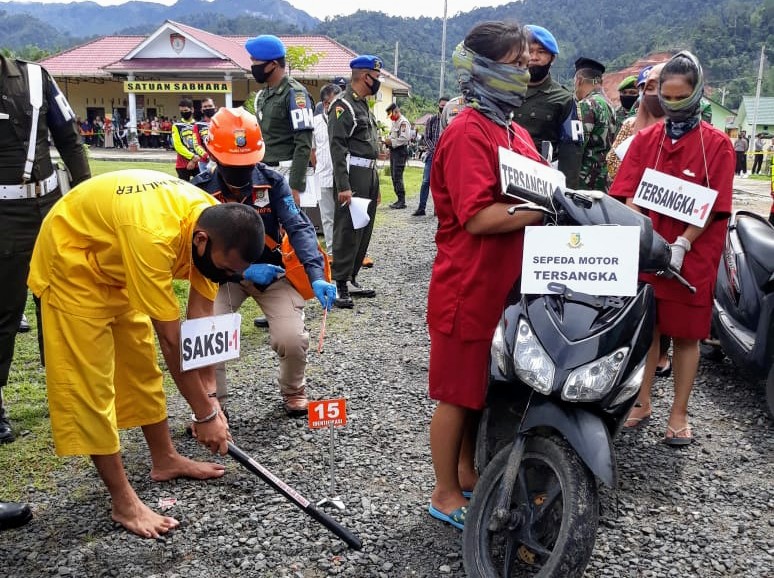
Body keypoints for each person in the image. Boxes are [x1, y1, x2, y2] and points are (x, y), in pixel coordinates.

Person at [28, 169, 266, 538]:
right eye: (223, 268)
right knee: (91, 385)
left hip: (117, 265)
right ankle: (123, 502)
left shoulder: (210, 223)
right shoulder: (154, 235)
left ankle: (165, 459)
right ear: (200, 240)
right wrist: (204, 414)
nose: (224, 275)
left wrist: (211, 401)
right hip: (71, 263)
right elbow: (172, 341)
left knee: (140, 367)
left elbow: (198, 325)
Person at [427, 21, 545, 529]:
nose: (527, 72)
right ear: (483, 69)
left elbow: (544, 181)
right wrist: (542, 209)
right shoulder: (466, 131)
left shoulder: (513, 130)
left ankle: (468, 473)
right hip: (468, 285)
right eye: (517, 64)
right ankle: (445, 492)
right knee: (457, 393)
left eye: (528, 64)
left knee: (480, 389)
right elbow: (478, 216)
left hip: (504, 285)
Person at [609, 51, 734, 445]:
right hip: (649, 248)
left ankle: (678, 413)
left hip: (692, 253)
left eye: (683, 96)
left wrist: (682, 243)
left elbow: (715, 204)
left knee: (687, 334)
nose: (674, 104)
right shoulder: (645, 140)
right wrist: (642, 233)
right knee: (649, 329)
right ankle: (642, 401)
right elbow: (626, 193)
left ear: (698, 93)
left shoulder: (717, 146)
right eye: (668, 96)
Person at [193, 108, 336, 416]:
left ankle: (294, 389)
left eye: (247, 162)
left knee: (293, 338)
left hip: (272, 275)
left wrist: (316, 275)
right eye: (233, 163)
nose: (241, 171)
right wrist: (242, 270)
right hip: (222, 278)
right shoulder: (200, 190)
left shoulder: (272, 184)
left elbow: (298, 226)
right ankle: (212, 405)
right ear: (214, 155)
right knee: (208, 335)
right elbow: (192, 246)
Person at [0, 53, 91, 446]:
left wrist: (86, 198)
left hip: (53, 207)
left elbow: (70, 141)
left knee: (63, 302)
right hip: (4, 217)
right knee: (4, 312)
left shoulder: (35, 76)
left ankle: (66, 390)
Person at [606, 63, 674, 381]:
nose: (650, 92)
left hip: (669, 217)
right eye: (646, 87)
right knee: (633, 284)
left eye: (655, 86)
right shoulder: (632, 125)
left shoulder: (680, 126)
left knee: (665, 286)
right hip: (631, 210)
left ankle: (660, 355)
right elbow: (611, 163)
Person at [327, 55, 384, 309]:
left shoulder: (363, 106)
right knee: (347, 230)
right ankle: (339, 283)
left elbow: (369, 149)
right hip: (352, 174)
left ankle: (351, 277)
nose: (378, 82)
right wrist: (344, 186)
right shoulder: (343, 106)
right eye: (376, 77)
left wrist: (377, 185)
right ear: (365, 77)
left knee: (363, 230)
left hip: (368, 174)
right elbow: (337, 148)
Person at [246, 34, 314, 207]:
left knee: (290, 231)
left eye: (256, 62)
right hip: (265, 172)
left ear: (272, 65)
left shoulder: (295, 94)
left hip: (286, 173)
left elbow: (303, 144)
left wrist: (295, 187)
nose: (253, 67)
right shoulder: (264, 94)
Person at [516, 24, 583, 188]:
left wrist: (566, 200)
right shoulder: (504, 91)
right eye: (529, 51)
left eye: (541, 52)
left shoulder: (564, 100)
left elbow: (571, 155)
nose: (534, 57)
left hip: (539, 183)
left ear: (552, 58)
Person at [574, 56, 617, 191]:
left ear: (579, 80)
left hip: (585, 181)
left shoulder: (586, 105)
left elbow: (577, 146)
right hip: (603, 179)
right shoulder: (610, 106)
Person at [312, 83, 342, 255]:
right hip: (322, 175)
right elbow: (312, 150)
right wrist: (318, 167)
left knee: (344, 217)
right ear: (325, 104)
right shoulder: (315, 122)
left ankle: (345, 251)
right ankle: (331, 252)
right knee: (327, 217)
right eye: (335, 101)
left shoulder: (343, 119)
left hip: (342, 177)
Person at [413, 95, 448, 216]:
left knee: (442, 184)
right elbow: (426, 137)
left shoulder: (451, 121)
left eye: (446, 106)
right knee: (426, 181)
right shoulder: (432, 120)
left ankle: (438, 209)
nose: (443, 108)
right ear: (438, 105)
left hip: (446, 157)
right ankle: (421, 208)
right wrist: (435, 150)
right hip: (432, 155)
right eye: (442, 105)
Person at [384, 102, 411, 209]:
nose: (391, 118)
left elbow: (405, 138)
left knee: (397, 176)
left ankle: (402, 200)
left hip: (400, 151)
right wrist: (388, 142)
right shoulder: (395, 122)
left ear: (396, 111)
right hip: (394, 151)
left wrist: (392, 142)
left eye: (391, 115)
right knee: (394, 175)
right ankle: (399, 199)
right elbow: (393, 136)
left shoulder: (403, 122)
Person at [172, 97, 206, 181]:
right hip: (182, 164)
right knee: (184, 190)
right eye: (181, 111)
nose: (184, 113)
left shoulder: (199, 125)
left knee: (202, 188)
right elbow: (178, 146)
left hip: (199, 163)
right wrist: (192, 157)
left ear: (192, 110)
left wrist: (195, 160)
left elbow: (202, 144)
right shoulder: (176, 126)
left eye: (186, 111)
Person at [194, 97, 218, 173]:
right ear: (202, 110)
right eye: (205, 107)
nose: (208, 108)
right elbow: (196, 145)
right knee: (206, 184)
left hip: (221, 160)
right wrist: (207, 157)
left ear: (215, 108)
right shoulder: (197, 125)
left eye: (210, 106)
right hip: (204, 162)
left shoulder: (221, 123)